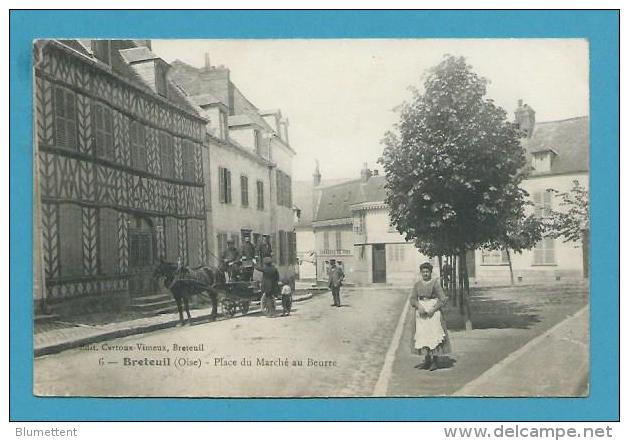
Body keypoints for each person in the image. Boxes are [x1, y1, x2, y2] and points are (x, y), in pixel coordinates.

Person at [410, 262, 452, 371]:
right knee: (423, 335)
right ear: (421, 273)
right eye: (423, 272)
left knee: (433, 335)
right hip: (421, 313)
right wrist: (419, 306)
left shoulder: (435, 284)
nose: (425, 274)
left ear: (430, 272)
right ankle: (427, 360)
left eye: (427, 272)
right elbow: (413, 299)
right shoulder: (417, 285)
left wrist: (433, 309)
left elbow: (443, 299)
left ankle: (435, 361)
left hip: (433, 312)